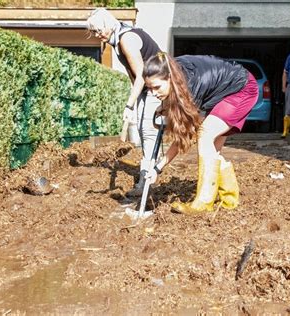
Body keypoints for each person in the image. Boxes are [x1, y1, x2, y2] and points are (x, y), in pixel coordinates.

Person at [143, 52, 259, 215]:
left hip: (242, 88)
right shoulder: (173, 71)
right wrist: (166, 106)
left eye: (157, 87)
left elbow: (185, 137)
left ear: (170, 77)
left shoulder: (191, 87)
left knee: (204, 136)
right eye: (149, 88)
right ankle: (229, 197)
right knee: (212, 148)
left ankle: (204, 202)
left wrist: (158, 168)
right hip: (222, 91)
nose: (154, 93)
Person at [87, 8, 162, 196]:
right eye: (94, 32)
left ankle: (146, 184)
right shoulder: (119, 38)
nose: (97, 35)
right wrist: (137, 101)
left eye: (98, 30)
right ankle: (148, 179)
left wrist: (129, 104)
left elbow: (140, 76)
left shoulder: (126, 39)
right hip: (150, 87)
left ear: (108, 25)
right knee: (146, 134)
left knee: (148, 132)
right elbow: (136, 76)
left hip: (158, 85)